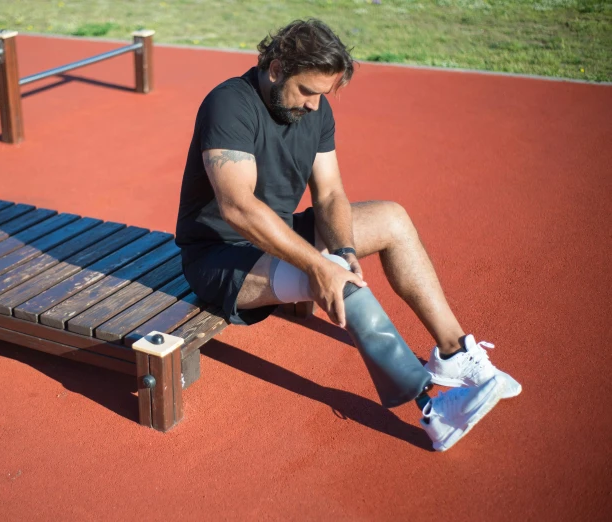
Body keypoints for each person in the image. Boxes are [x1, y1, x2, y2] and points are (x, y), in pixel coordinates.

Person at [175, 19, 520, 451]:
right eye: (308, 92)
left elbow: (331, 192)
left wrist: (342, 247)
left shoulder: (315, 109)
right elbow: (238, 209)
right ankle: (433, 412)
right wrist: (323, 264)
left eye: (323, 94)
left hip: (278, 236)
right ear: (277, 68)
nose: (316, 106)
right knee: (340, 280)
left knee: (392, 219)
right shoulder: (229, 104)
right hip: (220, 259)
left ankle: (452, 353)